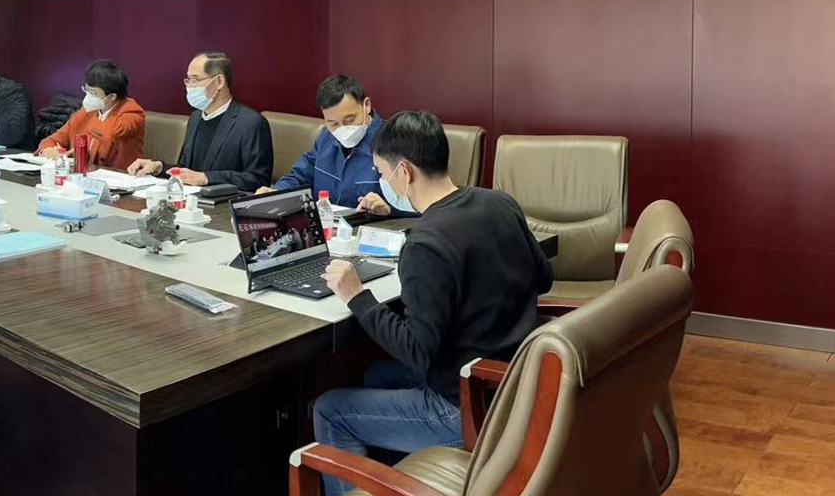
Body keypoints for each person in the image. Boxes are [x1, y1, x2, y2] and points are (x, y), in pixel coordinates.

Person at [312, 111, 553, 495]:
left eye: (382, 172)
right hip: (517, 379)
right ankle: (397, 480)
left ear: (404, 172)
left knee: (329, 410)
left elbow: (418, 352)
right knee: (377, 376)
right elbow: (545, 278)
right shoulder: (499, 202)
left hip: (468, 406)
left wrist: (357, 297)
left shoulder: (425, 244)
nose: (382, 182)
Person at [125, 51, 271, 191]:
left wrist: (207, 178)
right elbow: (187, 169)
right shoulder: (195, 117)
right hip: (191, 200)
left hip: (226, 203)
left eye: (195, 80)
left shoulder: (251, 123)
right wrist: (158, 167)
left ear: (219, 81)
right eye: (188, 80)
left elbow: (258, 179)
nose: (189, 86)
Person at [260, 75, 402, 216]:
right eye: (333, 123)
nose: (342, 129)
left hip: (374, 226)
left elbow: (414, 203)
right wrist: (277, 192)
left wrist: (389, 208)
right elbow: (301, 177)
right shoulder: (326, 137)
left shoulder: (393, 142)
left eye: (349, 120)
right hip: (327, 223)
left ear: (367, 105)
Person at [37, 59, 146, 169]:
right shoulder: (87, 111)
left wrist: (83, 150)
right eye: (87, 90)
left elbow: (111, 134)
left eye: (93, 93)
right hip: (85, 175)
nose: (88, 96)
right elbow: (52, 140)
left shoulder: (132, 113)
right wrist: (49, 150)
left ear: (111, 97)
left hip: (119, 176)